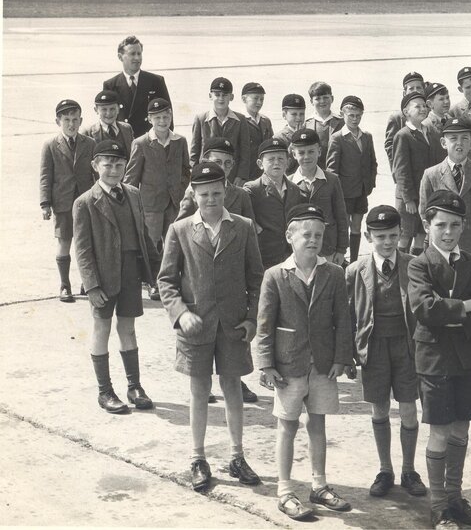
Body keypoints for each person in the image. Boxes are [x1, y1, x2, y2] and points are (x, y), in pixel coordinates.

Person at [158, 161, 264, 492]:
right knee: (199, 391)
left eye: (217, 193)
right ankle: (197, 457)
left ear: (226, 191)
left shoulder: (243, 227)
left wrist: (251, 318)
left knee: (233, 388)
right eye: (204, 195)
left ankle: (236, 455)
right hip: (195, 327)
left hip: (233, 325)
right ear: (194, 194)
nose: (211, 200)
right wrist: (179, 313)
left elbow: (257, 279)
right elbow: (166, 281)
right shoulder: (180, 230)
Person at [256, 203, 354, 519]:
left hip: (323, 365)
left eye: (319, 235)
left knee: (319, 422)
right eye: (306, 235)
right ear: (290, 236)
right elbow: (265, 323)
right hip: (288, 365)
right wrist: (266, 363)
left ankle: (319, 485)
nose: (313, 240)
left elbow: (344, 318)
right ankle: (284, 490)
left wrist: (342, 357)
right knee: (287, 425)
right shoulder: (275, 276)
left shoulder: (334, 274)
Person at [408, 190, 471, 530]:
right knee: (440, 432)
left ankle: (456, 498)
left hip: (466, 358)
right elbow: (424, 309)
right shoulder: (419, 264)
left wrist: (453, 312)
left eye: (455, 225)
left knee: (462, 428)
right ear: (427, 225)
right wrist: (465, 307)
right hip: (433, 360)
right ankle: (439, 506)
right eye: (441, 225)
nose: (448, 232)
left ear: (463, 226)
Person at [345, 206, 427, 500]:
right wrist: (348, 355)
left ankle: (408, 469)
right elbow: (348, 317)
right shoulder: (355, 270)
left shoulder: (413, 265)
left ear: (401, 234)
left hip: (407, 348)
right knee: (379, 407)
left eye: (393, 235)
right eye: (381, 237)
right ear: (368, 236)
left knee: (408, 408)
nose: (388, 242)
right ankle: (385, 469)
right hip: (374, 348)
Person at [74, 140, 159, 413]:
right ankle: (105, 391)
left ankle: (134, 386)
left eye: (119, 164)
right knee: (102, 328)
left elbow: (144, 237)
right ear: (95, 166)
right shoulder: (85, 202)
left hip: (130, 272)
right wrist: (92, 286)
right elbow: (83, 250)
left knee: (128, 328)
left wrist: (155, 272)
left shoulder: (133, 194)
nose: (113, 170)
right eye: (107, 164)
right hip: (103, 276)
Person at [125, 98, 190, 300]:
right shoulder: (142, 143)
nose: (162, 121)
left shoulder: (180, 141)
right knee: (151, 244)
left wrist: (179, 188)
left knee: (173, 243)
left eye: (166, 116)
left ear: (171, 117)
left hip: (174, 202)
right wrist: (131, 203)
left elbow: (185, 169)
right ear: (150, 119)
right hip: (151, 204)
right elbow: (131, 178)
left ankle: (168, 281)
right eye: (158, 117)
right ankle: (152, 282)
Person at [40, 98, 96, 301]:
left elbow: (95, 173)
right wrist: (45, 203)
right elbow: (46, 176)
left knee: (87, 243)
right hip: (62, 203)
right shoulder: (50, 145)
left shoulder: (89, 143)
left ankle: (87, 283)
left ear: (81, 120)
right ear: (58, 122)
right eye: (66, 120)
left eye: (75, 119)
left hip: (85, 202)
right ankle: (64, 285)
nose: (71, 124)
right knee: (64, 242)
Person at [419, 118, 471, 261]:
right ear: (443, 143)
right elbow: (424, 211)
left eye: (465, 138)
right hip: (440, 242)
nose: (459, 143)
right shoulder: (431, 174)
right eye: (453, 138)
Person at [327, 95, 377, 263]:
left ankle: (354, 260)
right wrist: (336, 192)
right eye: (351, 115)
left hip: (361, 191)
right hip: (345, 192)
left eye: (358, 115)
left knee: (357, 225)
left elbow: (372, 162)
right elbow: (332, 169)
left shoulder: (366, 137)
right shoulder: (337, 138)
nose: (355, 119)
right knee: (343, 226)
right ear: (343, 115)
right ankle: (342, 259)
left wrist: (370, 184)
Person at [288, 129, 349, 266]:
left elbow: (341, 216)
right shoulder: (289, 182)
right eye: (301, 153)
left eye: (311, 151)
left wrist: (341, 249)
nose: (306, 157)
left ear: (319, 152)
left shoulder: (332, 180)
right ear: (293, 154)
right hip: (299, 247)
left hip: (327, 246)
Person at [244, 138, 307, 269]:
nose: (276, 163)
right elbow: (248, 221)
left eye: (281, 159)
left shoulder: (294, 189)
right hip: (265, 254)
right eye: (271, 159)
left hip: (291, 253)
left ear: (288, 163)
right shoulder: (252, 189)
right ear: (260, 164)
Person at [102, 35, 171, 136]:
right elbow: (106, 120)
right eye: (132, 54)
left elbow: (168, 115)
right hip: (123, 142)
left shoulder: (156, 81)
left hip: (149, 141)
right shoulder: (110, 85)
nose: (137, 58)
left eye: (139, 53)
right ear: (120, 57)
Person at [392, 91, 434, 254]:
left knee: (421, 233)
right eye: (418, 106)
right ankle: (401, 269)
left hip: (424, 194)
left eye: (424, 106)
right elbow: (401, 170)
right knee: (405, 234)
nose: (423, 109)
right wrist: (408, 199)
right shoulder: (403, 135)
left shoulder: (429, 132)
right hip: (408, 198)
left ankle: (415, 267)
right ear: (406, 112)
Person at [178, 137, 255, 222]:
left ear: (233, 165)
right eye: (217, 162)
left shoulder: (241, 195)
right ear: (205, 162)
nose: (223, 167)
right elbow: (180, 229)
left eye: (228, 163)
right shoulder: (193, 192)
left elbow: (250, 230)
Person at [190, 77, 249, 185]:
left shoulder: (240, 119)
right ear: (210, 96)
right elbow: (194, 152)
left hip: (232, 176)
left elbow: (245, 152)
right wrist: (195, 175)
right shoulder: (201, 119)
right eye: (217, 95)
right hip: (206, 175)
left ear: (231, 97)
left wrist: (241, 176)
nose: (221, 99)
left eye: (225, 95)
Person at [385, 71, 426, 162]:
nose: (415, 91)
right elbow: (390, 147)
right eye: (411, 88)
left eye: (418, 88)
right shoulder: (397, 118)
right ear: (404, 93)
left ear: (424, 91)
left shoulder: (429, 114)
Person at [304, 81, 344, 165]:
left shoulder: (341, 122)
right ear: (311, 101)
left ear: (332, 99)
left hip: (338, 169)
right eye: (317, 98)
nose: (322, 101)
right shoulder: (306, 124)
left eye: (325, 97)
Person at [240, 82, 272, 182]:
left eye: (261, 99)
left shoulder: (265, 121)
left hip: (264, 173)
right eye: (255, 98)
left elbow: (270, 145)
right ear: (244, 99)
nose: (259, 102)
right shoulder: (238, 120)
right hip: (245, 175)